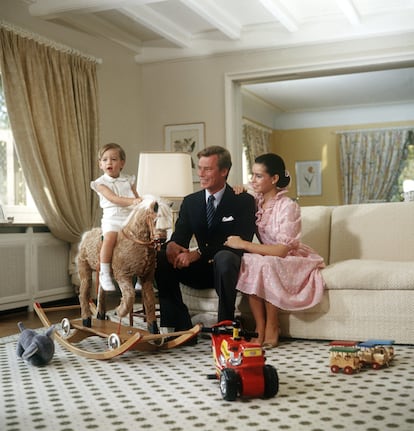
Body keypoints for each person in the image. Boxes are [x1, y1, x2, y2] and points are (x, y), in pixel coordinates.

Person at [224, 153, 325, 348]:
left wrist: (243, 243)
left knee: (266, 261)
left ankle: (272, 324)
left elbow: (281, 251)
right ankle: (259, 326)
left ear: (275, 178)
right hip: (266, 256)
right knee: (250, 260)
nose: (253, 180)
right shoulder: (255, 202)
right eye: (252, 175)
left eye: (259, 176)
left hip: (288, 256)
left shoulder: (288, 206)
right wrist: (239, 191)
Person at [155, 145, 256, 333]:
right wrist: (172, 246)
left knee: (225, 257)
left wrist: (198, 253)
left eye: (207, 169)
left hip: (227, 269)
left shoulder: (243, 201)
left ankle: (225, 326)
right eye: (199, 168)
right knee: (160, 257)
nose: (200, 174)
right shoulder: (191, 202)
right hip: (199, 272)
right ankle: (179, 325)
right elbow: (180, 237)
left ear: (224, 171)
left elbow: (239, 243)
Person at [91, 143, 142, 291]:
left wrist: (141, 202)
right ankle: (105, 273)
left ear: (122, 163)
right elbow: (114, 199)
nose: (109, 162)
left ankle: (141, 276)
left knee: (142, 242)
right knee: (110, 238)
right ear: (100, 164)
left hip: (129, 218)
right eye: (105, 159)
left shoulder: (128, 180)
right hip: (112, 219)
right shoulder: (100, 183)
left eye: (113, 159)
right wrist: (133, 201)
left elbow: (137, 196)